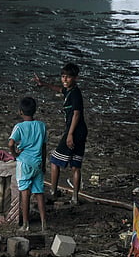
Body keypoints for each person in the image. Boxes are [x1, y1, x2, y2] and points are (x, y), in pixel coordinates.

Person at [34, 63, 87, 204]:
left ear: (75, 78)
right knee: (75, 165)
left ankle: (53, 191)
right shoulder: (70, 90)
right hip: (81, 131)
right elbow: (59, 89)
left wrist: (69, 134)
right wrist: (43, 84)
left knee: (54, 160)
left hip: (74, 131)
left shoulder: (75, 94)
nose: (64, 80)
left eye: (68, 77)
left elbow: (76, 114)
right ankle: (75, 197)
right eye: (63, 76)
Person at [7, 96, 48, 232]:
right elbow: (44, 147)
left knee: (25, 193)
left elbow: (11, 143)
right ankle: (44, 223)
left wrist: (14, 154)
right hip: (38, 163)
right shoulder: (41, 126)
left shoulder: (19, 127)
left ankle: (26, 224)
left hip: (24, 163)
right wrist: (43, 164)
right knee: (39, 192)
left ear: (20, 112)